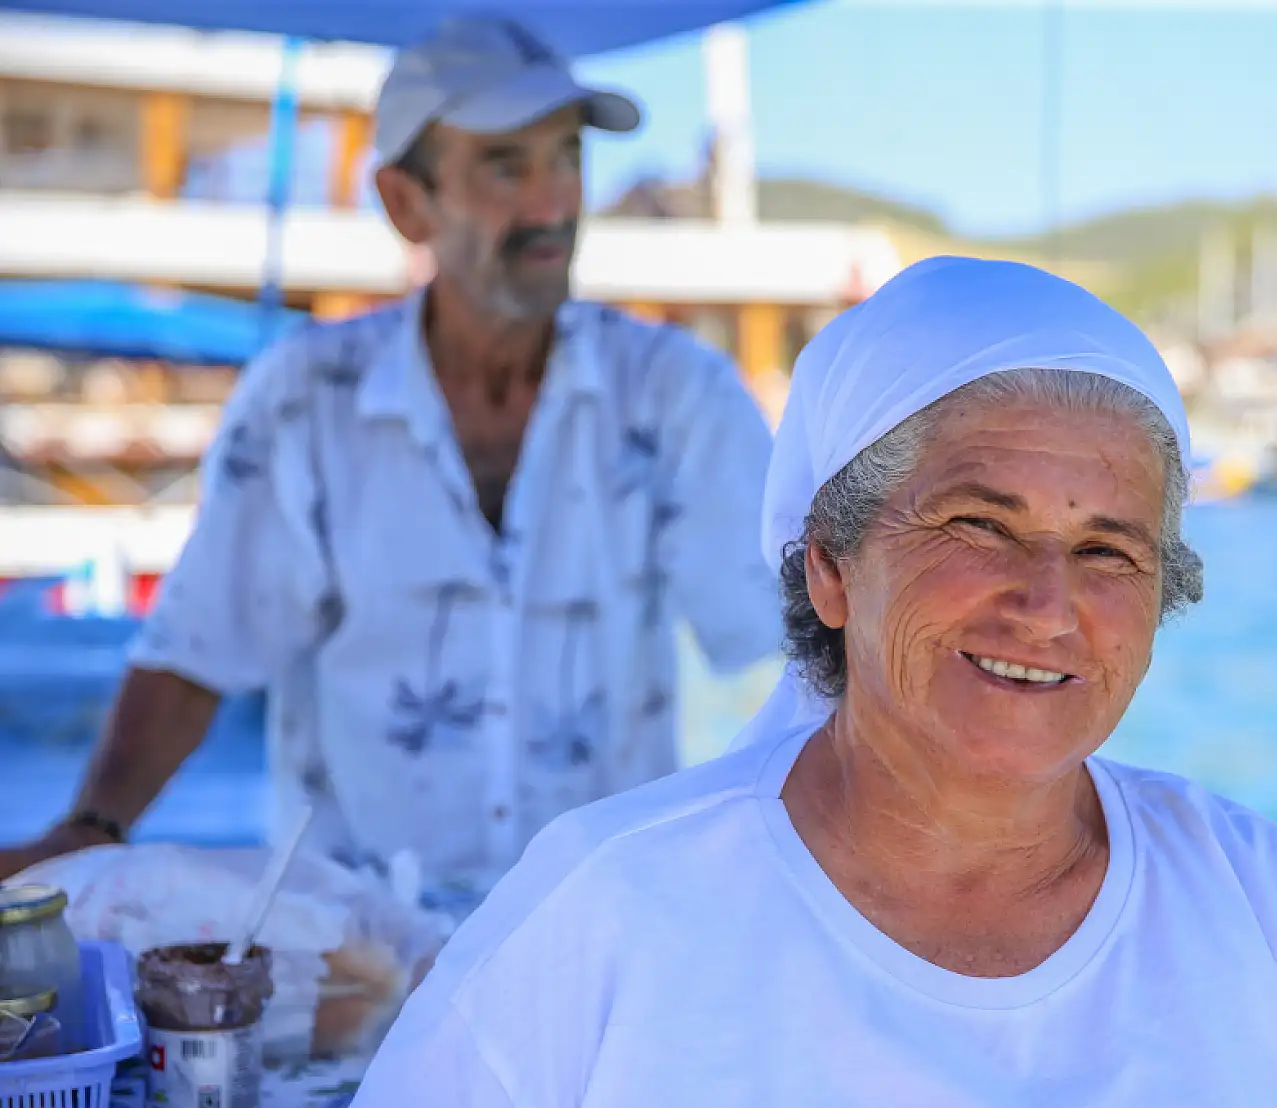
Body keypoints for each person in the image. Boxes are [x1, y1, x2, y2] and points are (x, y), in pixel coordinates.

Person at [341, 255, 1277, 1108]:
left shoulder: (1264, 906)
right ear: (829, 566)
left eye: (1107, 551)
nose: (1047, 605)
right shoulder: (607, 908)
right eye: (975, 525)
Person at [0, 15, 781, 902]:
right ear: (406, 202)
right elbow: (199, 648)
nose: (554, 203)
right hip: (356, 944)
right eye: (506, 165)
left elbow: (790, 644)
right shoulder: (305, 398)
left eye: (567, 157)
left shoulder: (677, 394)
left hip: (598, 929)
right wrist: (93, 829)